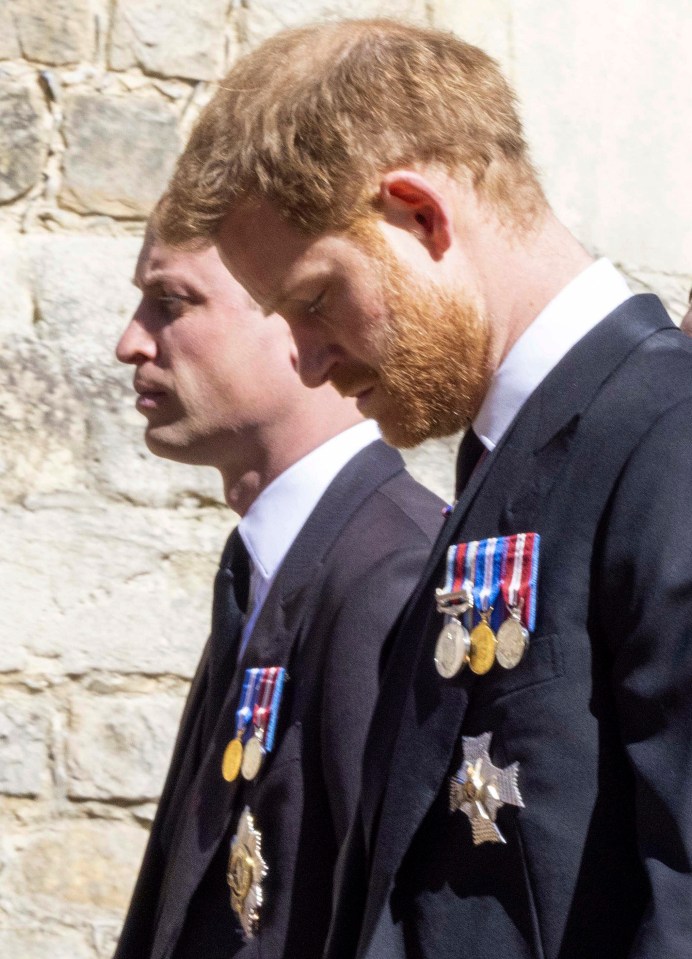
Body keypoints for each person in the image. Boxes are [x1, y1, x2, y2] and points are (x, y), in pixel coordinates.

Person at [157, 18, 692, 959]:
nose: (311, 362)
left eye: (317, 300)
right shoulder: (515, 461)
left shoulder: (663, 434)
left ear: (419, 214)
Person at [112, 200, 444, 959]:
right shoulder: (267, 559)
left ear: (296, 317)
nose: (131, 342)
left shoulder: (388, 576)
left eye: (171, 303)